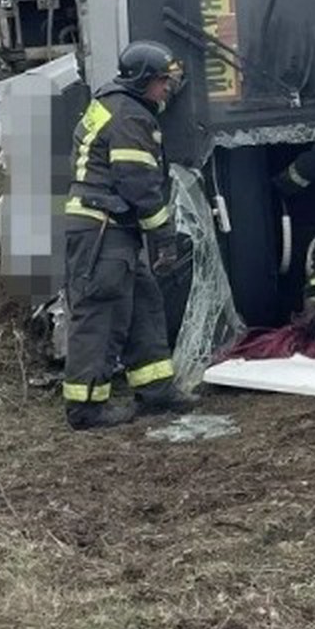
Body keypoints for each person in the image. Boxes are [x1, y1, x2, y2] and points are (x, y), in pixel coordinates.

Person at [59, 41, 203, 429]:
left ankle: (156, 390)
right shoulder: (130, 118)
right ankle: (86, 407)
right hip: (102, 230)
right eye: (160, 82)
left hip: (107, 228)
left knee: (143, 302)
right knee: (101, 312)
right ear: (142, 81)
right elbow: (139, 186)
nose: (166, 90)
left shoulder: (115, 105)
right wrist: (164, 238)